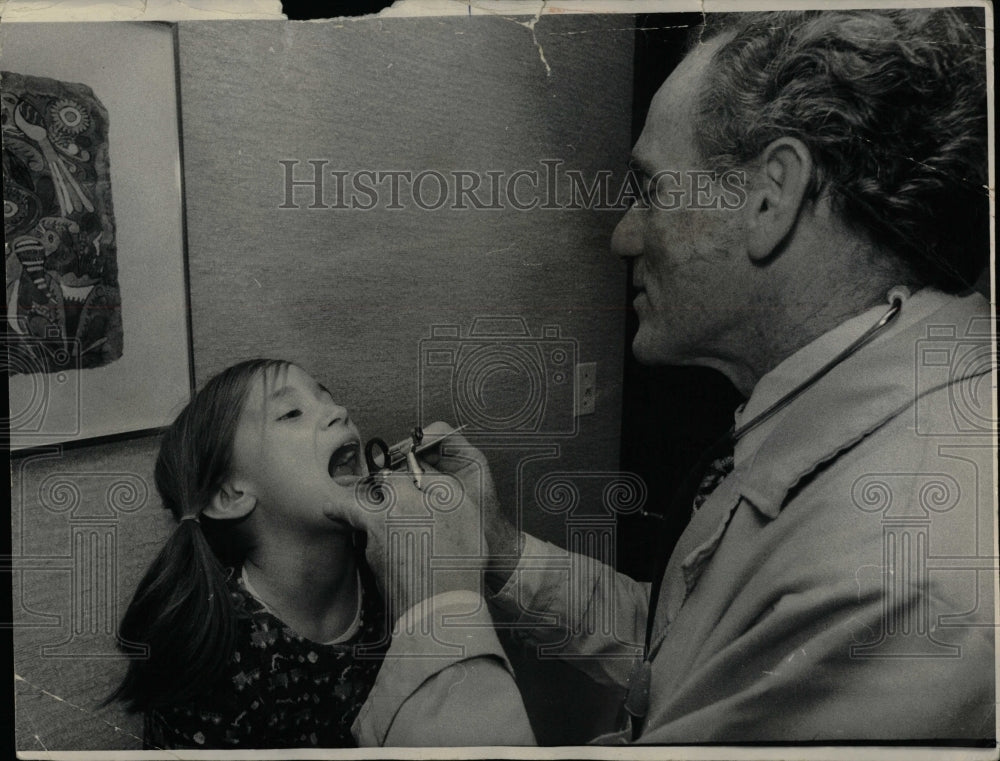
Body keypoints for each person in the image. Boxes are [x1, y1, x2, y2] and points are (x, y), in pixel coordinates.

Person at [324, 8, 995, 747]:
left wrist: (435, 602)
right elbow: (701, 655)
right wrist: (503, 550)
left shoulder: (903, 578)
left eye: (650, 190)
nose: (623, 234)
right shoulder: (850, 400)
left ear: (772, 196)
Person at [107, 359, 388, 749]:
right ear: (230, 495)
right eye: (291, 412)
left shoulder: (393, 566)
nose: (338, 412)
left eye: (329, 399)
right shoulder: (214, 664)